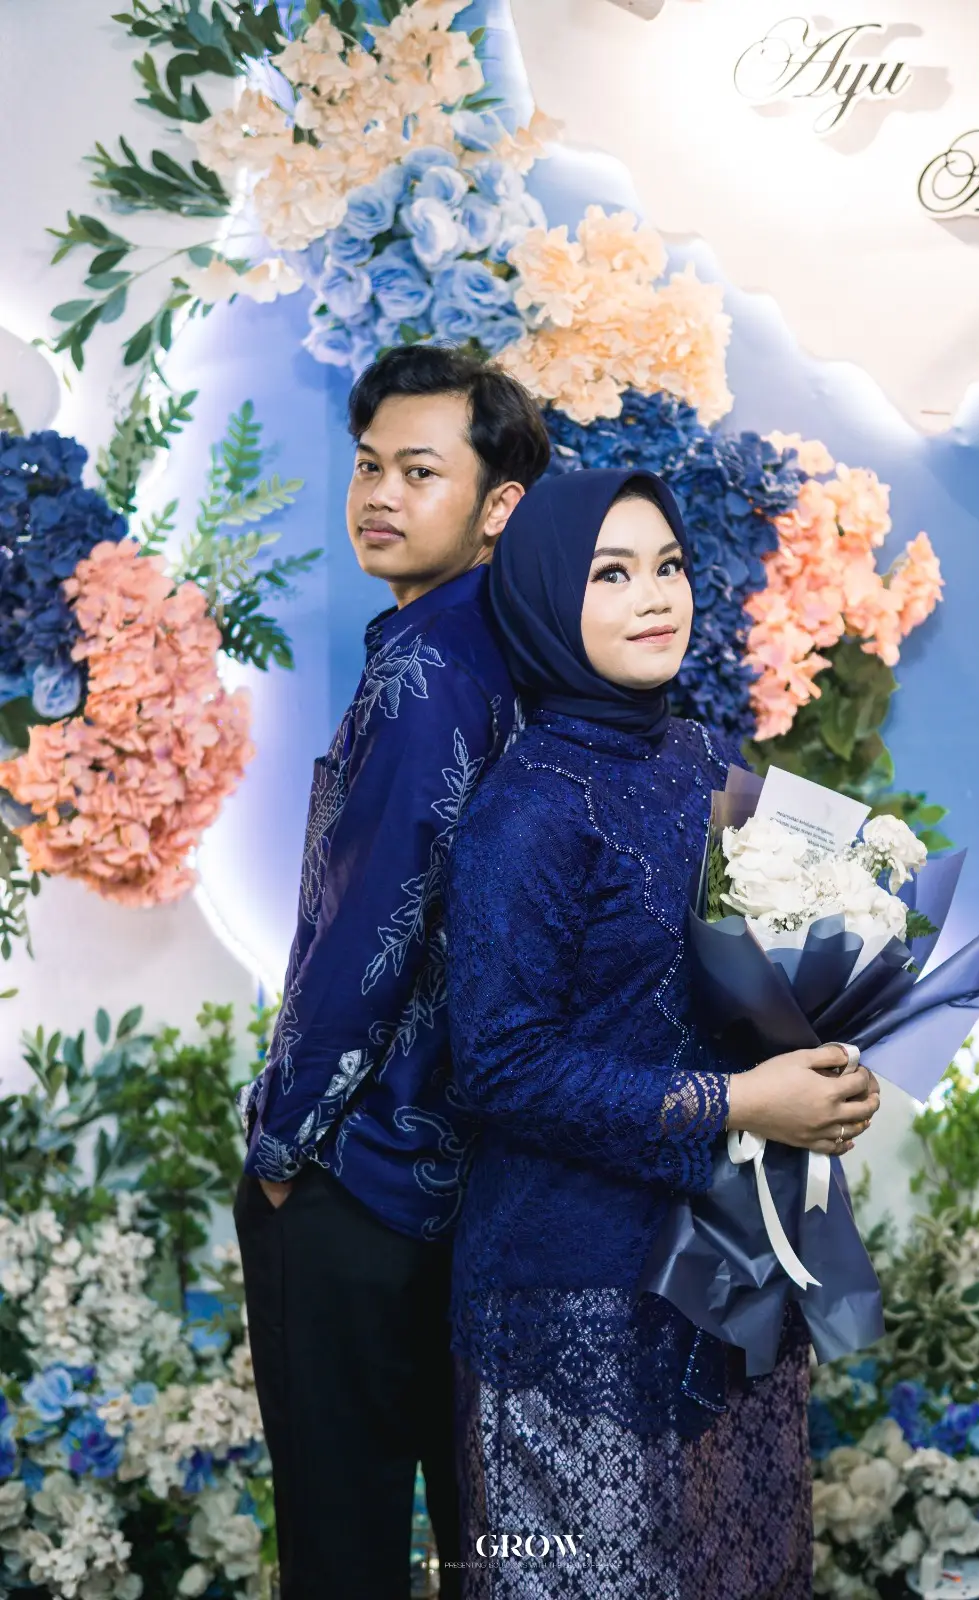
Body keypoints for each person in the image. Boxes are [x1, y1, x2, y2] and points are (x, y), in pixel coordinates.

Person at [443, 468, 882, 1599]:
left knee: (739, 1571)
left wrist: (831, 1056)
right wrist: (744, 1101)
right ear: (546, 597)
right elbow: (496, 1064)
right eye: (611, 574)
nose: (656, 597)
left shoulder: (700, 759)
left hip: (723, 1263)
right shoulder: (527, 807)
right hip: (571, 1290)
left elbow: (758, 974)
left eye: (670, 566)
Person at [233, 345, 551, 1600]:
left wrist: (281, 1147)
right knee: (484, 1542)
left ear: (499, 504)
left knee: (342, 1548)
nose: (378, 494)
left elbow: (372, 927)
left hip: (359, 1173)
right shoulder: (515, 651)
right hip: (472, 1182)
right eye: (369, 465)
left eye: (420, 471)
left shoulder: (429, 670)